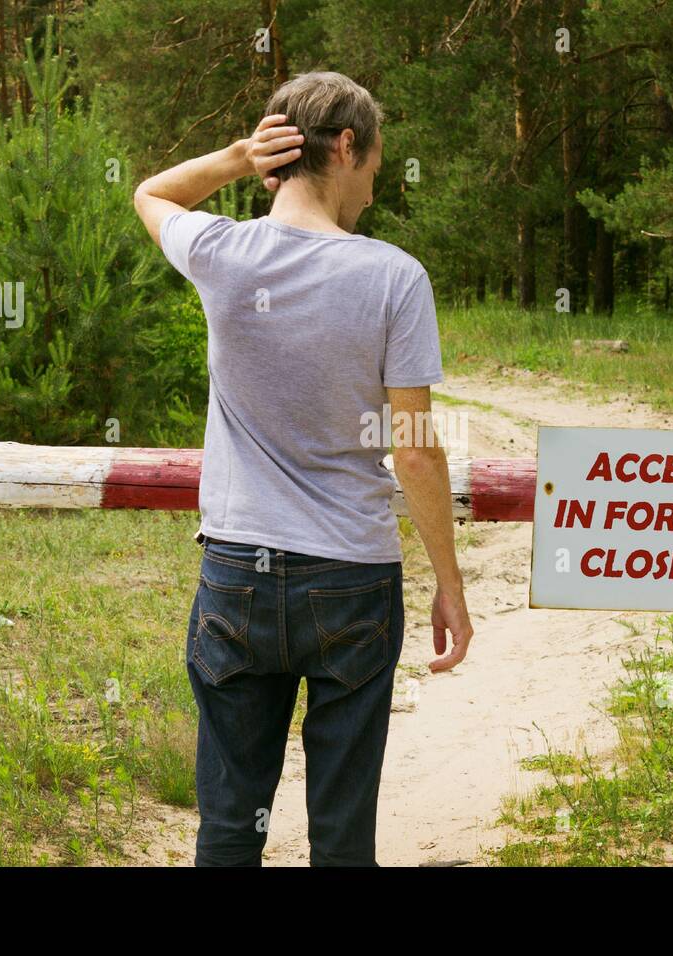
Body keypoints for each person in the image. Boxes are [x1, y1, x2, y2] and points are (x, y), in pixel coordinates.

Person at [133, 71, 474, 866]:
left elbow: (150, 193)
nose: (373, 190)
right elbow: (414, 445)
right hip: (351, 581)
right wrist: (449, 583)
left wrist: (233, 157)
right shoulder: (394, 276)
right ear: (347, 145)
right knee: (343, 834)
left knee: (226, 826)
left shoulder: (221, 251)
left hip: (236, 578)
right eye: (374, 167)